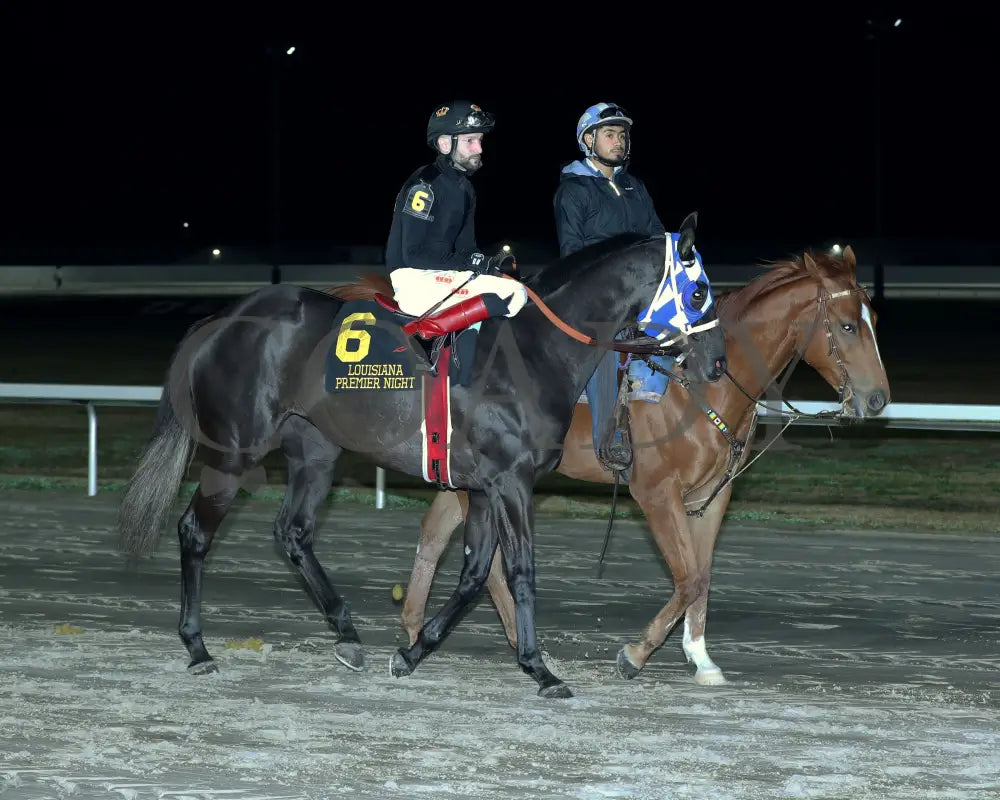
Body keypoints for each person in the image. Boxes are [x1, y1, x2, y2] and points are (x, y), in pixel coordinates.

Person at [553, 102, 668, 473]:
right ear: (588, 140)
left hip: (641, 290)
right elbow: (573, 254)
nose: (618, 141)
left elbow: (655, 238)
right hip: (596, 295)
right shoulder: (573, 191)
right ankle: (610, 436)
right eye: (609, 134)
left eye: (622, 135)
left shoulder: (635, 186)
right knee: (607, 340)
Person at [385, 101, 527, 352]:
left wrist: (487, 263)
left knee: (515, 286)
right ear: (444, 144)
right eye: (470, 141)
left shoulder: (466, 189)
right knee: (514, 294)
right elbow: (414, 254)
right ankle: (423, 341)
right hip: (413, 280)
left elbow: (466, 249)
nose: (479, 148)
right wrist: (472, 263)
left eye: (480, 141)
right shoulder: (424, 185)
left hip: (440, 277)